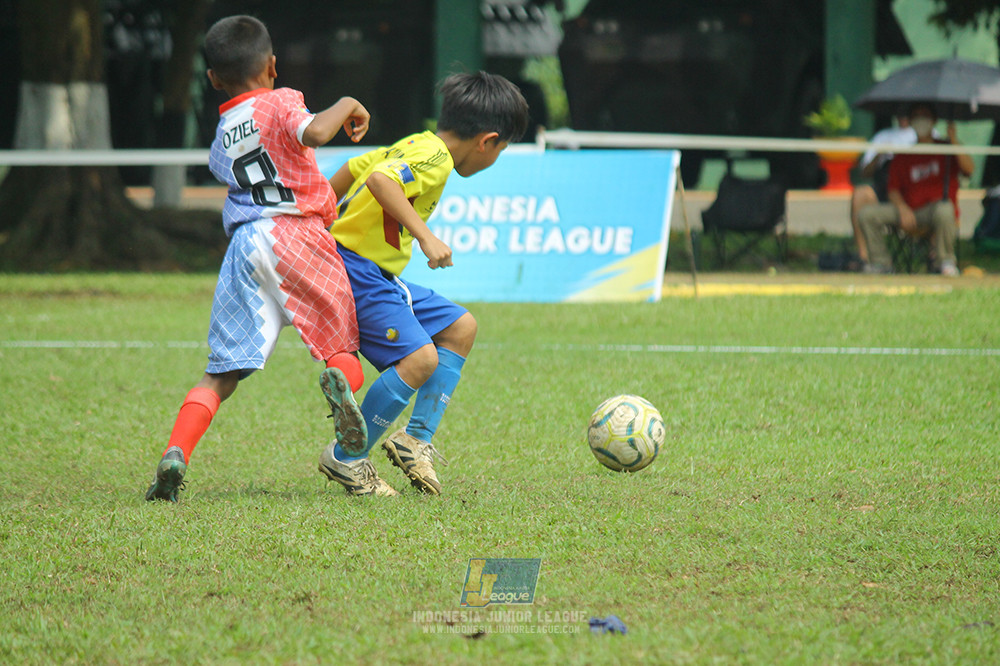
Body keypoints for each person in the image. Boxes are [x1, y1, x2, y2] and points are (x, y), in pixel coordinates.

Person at [145, 15, 372, 502]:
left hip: (245, 245)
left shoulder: (223, 132)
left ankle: (176, 452)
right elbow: (315, 133)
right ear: (272, 64)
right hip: (299, 236)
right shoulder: (282, 100)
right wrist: (348, 102)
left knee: (219, 372)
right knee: (339, 346)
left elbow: (231, 169)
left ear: (213, 79)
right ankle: (341, 386)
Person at [318, 71, 530, 496]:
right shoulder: (435, 158)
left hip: (376, 272)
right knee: (419, 360)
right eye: (501, 149)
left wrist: (317, 219)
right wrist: (426, 236)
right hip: (357, 270)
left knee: (460, 327)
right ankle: (346, 457)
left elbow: (355, 168)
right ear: (487, 141)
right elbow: (380, 180)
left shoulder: (416, 144)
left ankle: (415, 439)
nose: (496, 157)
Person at [857, 104, 974, 276]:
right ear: (910, 122)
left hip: (937, 213)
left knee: (944, 209)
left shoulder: (947, 149)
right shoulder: (904, 155)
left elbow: (969, 169)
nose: (921, 120)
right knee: (866, 214)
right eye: (917, 116)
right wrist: (902, 208)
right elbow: (893, 189)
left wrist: (953, 140)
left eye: (925, 115)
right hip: (910, 212)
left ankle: (945, 262)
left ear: (934, 120)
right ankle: (881, 263)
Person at [849, 114, 916, 264]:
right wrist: (879, 154)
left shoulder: (928, 136)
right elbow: (865, 172)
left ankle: (939, 260)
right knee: (861, 196)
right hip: (885, 189)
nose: (903, 116)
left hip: (914, 193)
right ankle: (866, 257)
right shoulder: (883, 136)